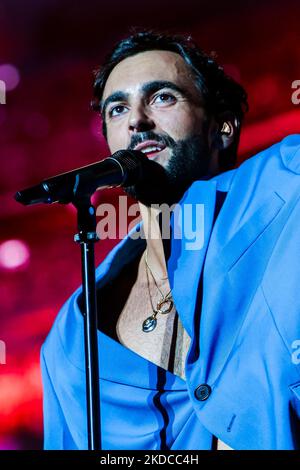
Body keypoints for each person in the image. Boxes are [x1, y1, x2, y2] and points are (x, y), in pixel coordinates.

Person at [41, 30, 300, 450]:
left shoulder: (286, 186)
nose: (136, 121)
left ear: (223, 126)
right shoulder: (70, 345)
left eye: (162, 97)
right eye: (117, 109)